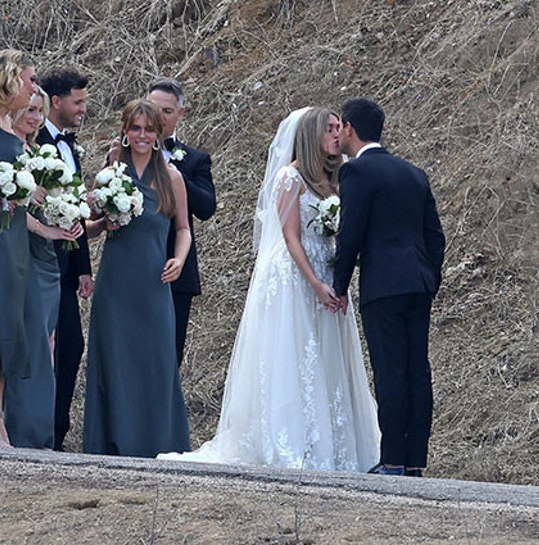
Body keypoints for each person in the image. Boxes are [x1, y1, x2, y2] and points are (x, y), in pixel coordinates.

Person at [158, 108, 380, 471]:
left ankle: (336, 440)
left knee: (328, 354)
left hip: (326, 272)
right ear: (311, 135)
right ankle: (294, 438)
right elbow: (291, 237)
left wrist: (336, 278)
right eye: (329, 128)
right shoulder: (290, 177)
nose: (336, 134)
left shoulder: (335, 178)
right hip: (296, 275)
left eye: (338, 127)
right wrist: (314, 282)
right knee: (295, 352)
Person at [331, 97, 445, 477]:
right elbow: (435, 236)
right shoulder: (414, 173)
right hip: (418, 283)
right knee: (417, 371)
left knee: (390, 371)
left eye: (339, 127)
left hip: (383, 285)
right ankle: (415, 461)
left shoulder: (356, 172)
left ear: (349, 127)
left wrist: (339, 284)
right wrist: (430, 277)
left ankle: (393, 459)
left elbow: (350, 232)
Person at [83, 99, 191, 458]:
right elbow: (85, 228)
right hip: (116, 284)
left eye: (148, 129)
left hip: (153, 284)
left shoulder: (172, 178)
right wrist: (103, 223)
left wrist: (179, 258)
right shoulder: (110, 175)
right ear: (125, 131)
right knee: (116, 361)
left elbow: (183, 228)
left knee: (155, 361)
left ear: (158, 133)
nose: (142, 135)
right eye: (135, 128)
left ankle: (157, 442)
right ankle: (114, 441)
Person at [4, 90, 81, 449]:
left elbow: (49, 203)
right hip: (20, 251)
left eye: (39, 111)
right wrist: (45, 229)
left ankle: (40, 428)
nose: (34, 117)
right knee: (30, 338)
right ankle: (22, 428)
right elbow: (11, 205)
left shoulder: (39, 153)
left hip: (47, 256)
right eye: (29, 110)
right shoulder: (7, 151)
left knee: (47, 341)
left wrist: (70, 215)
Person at [0, 49, 37, 447]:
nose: (34, 89)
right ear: (11, 78)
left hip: (14, 231)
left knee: (9, 323)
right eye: (30, 80)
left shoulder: (9, 123)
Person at [36, 69, 93, 451]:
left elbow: (74, 212)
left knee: (71, 346)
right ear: (55, 102)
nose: (83, 109)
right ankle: (44, 430)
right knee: (53, 346)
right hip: (41, 260)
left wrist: (83, 268)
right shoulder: (36, 141)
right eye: (78, 102)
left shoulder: (69, 146)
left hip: (67, 266)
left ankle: (57, 431)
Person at [148, 77, 216, 366]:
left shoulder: (194, 159)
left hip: (176, 269)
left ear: (180, 114)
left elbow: (206, 208)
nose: (158, 117)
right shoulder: (124, 155)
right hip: (136, 264)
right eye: (153, 109)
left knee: (169, 355)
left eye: (166, 111)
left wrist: (175, 174)